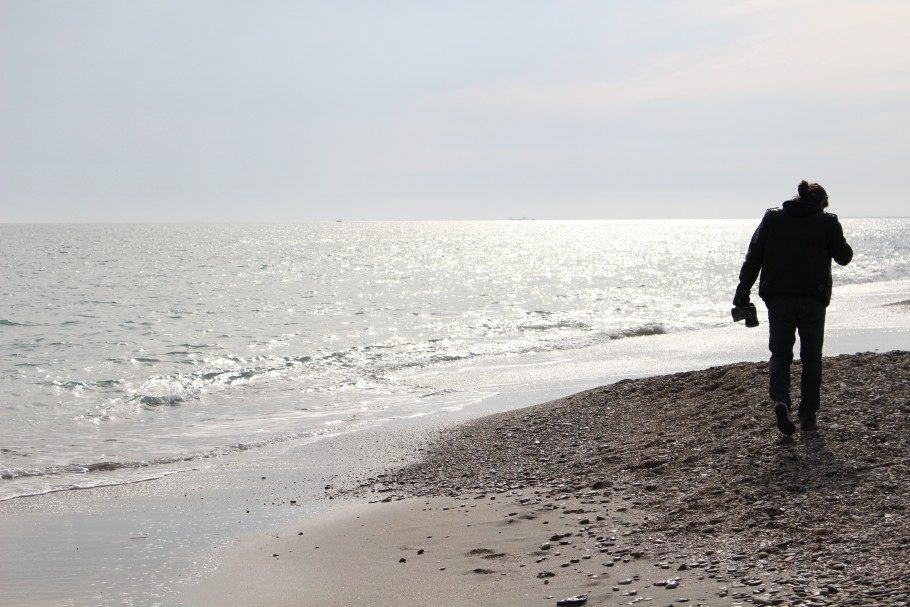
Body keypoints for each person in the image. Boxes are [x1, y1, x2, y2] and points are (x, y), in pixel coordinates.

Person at [733, 180, 853, 435]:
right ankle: (808, 417)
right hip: (813, 298)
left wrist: (741, 295)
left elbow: (753, 257)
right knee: (811, 358)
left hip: (779, 299)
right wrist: (833, 232)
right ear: (821, 203)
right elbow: (844, 257)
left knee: (780, 355)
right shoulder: (826, 222)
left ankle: (781, 401)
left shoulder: (773, 219)